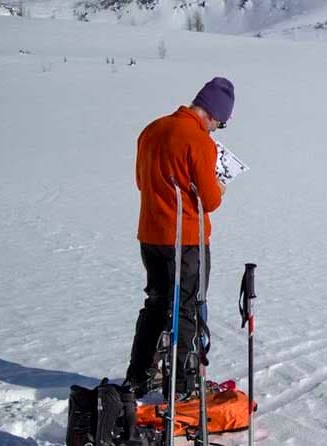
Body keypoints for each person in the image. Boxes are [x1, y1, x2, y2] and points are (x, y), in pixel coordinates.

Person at [125, 77, 234, 398]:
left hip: (150, 235)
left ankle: (139, 375)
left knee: (157, 304)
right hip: (185, 240)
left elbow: (140, 181)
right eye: (221, 124)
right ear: (213, 115)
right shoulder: (200, 142)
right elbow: (210, 200)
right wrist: (220, 188)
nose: (216, 129)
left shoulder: (151, 130)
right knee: (186, 307)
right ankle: (184, 384)